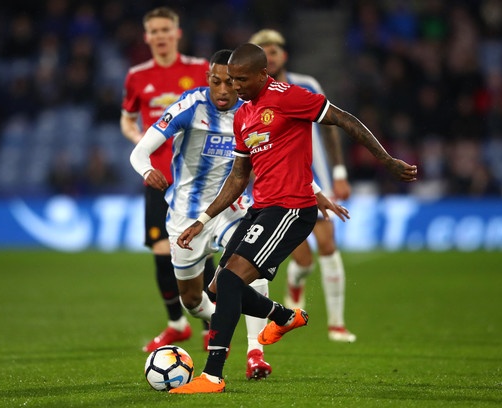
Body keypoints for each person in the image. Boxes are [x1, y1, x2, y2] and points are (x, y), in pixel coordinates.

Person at [169, 43, 417, 394]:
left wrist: (387, 160)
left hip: (291, 209)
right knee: (217, 288)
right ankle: (283, 316)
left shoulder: (288, 97)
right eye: (231, 79)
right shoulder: (243, 115)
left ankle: (212, 376)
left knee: (230, 283)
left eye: (241, 79)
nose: (235, 86)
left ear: (262, 74)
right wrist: (203, 219)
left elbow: (345, 119)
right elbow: (238, 177)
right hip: (260, 209)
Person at [130, 49, 271, 380]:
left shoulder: (253, 110)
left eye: (230, 83)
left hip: (229, 208)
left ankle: (255, 353)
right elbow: (139, 152)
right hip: (186, 216)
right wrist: (147, 170)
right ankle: (219, 319)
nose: (222, 90)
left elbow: (278, 156)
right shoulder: (189, 106)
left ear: (239, 82)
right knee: (192, 302)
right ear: (207, 78)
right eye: (215, 81)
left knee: (252, 266)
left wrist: (314, 189)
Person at [249, 29, 356, 343]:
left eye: (274, 50)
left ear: (284, 55)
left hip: (316, 177)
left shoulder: (306, 85)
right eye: (264, 52)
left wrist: (339, 172)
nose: (270, 57)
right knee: (303, 261)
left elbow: (330, 128)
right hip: (282, 186)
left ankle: (336, 324)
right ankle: (296, 286)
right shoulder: (253, 98)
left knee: (328, 245)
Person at [120, 7, 211, 352]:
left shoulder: (200, 69)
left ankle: (210, 325)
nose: (160, 36)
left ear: (177, 33)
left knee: (202, 250)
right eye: (154, 31)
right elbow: (127, 119)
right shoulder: (137, 76)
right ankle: (177, 324)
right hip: (158, 178)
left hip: (196, 178)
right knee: (161, 250)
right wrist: (141, 142)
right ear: (146, 37)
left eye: (165, 29)